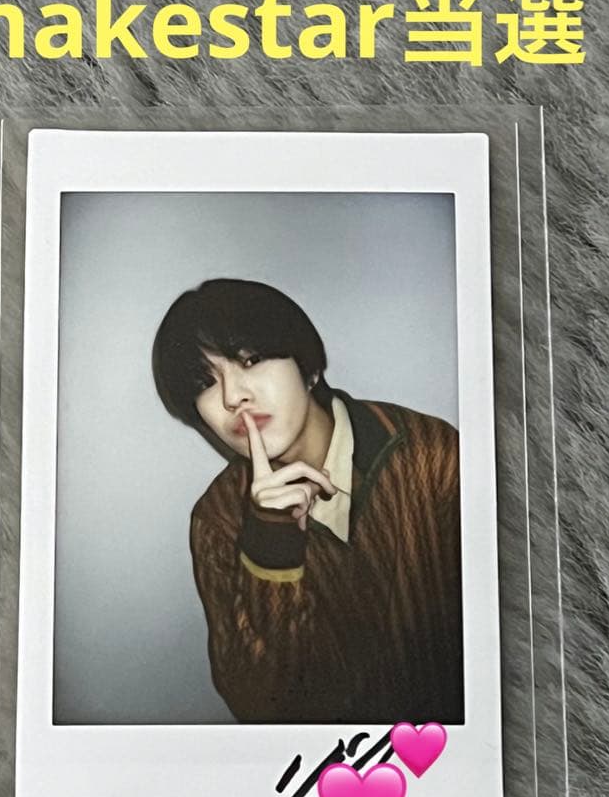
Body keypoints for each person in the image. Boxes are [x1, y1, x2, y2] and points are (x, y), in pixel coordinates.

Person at [152, 278, 464, 724]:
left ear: (308, 367)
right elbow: (265, 708)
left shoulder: (431, 454)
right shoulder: (218, 519)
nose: (232, 397)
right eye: (205, 381)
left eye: (250, 360)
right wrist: (271, 547)